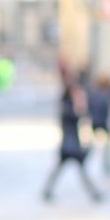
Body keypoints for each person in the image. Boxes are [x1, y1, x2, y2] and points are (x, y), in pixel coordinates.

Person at [42, 74, 103, 202]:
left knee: (68, 171)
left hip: (72, 145)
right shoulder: (68, 107)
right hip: (70, 146)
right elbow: (77, 117)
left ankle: (47, 191)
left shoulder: (69, 106)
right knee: (76, 171)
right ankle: (94, 194)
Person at [88, 75, 110, 175]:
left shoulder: (94, 94)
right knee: (105, 145)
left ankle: (88, 160)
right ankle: (106, 164)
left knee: (94, 144)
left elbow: (90, 108)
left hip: (96, 121)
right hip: (103, 121)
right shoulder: (107, 96)